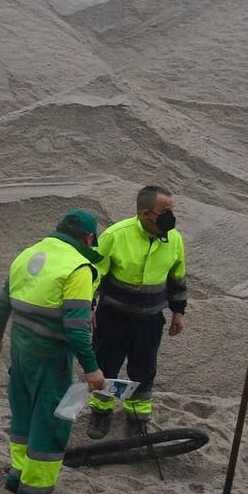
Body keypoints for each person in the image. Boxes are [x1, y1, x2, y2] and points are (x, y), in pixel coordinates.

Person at [0, 210, 106, 494]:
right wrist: (91, 367)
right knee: (52, 422)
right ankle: (35, 490)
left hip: (21, 353)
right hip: (51, 359)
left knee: (23, 415)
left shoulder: (28, 253)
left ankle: (17, 475)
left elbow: (3, 301)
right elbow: (77, 331)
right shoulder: (78, 268)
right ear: (89, 238)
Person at [86, 185, 188, 439]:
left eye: (172, 210)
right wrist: (88, 307)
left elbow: (177, 277)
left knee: (144, 369)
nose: (171, 217)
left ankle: (137, 417)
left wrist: (179, 311)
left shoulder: (173, 238)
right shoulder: (115, 235)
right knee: (106, 364)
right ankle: (101, 412)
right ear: (145, 213)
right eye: (165, 211)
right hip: (113, 318)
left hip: (150, 320)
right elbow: (92, 275)